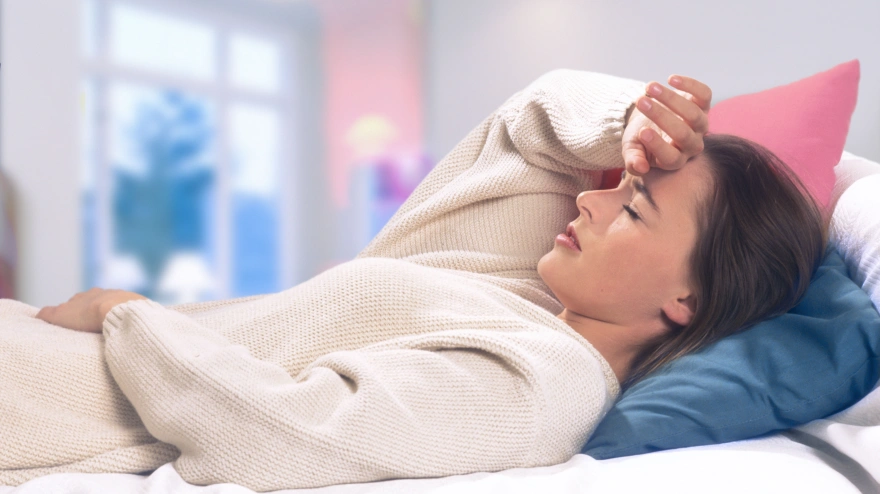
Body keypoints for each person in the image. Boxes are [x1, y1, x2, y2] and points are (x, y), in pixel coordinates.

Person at [0, 69, 825, 490]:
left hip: (39, 404)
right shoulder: (526, 289)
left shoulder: (544, 384)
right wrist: (632, 123)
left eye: (635, 208)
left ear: (686, 302)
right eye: (621, 181)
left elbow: (283, 436)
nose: (594, 197)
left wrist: (126, 312)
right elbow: (529, 123)